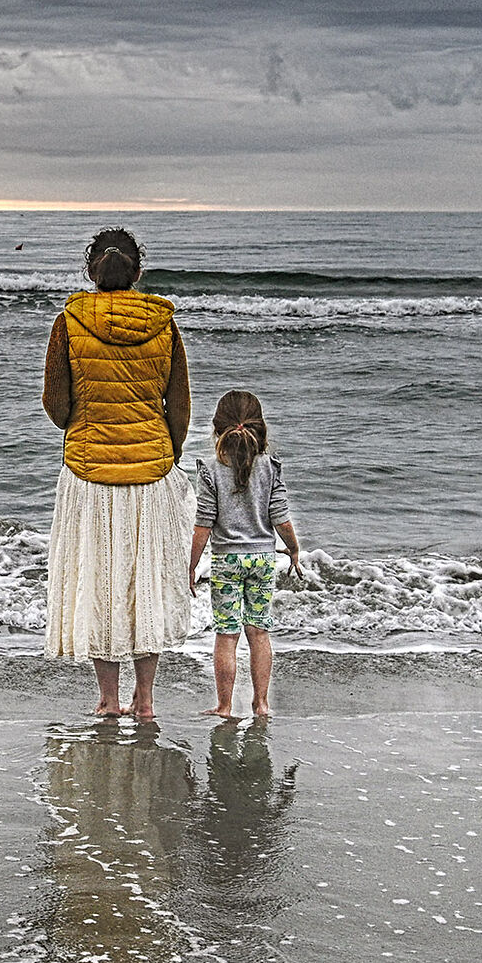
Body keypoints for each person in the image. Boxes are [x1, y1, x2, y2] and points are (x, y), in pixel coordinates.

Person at [41, 228, 192, 721]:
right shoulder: (165, 326)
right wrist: (164, 453)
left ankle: (108, 700)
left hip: (89, 475)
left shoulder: (70, 322)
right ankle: (145, 700)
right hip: (151, 473)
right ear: (138, 272)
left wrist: (87, 421)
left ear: (91, 271)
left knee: (101, 582)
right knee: (142, 582)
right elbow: (180, 408)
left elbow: (57, 406)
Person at [189, 389, 301, 719]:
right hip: (264, 560)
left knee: (227, 635)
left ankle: (224, 706)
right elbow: (280, 515)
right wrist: (293, 549)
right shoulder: (270, 468)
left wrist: (191, 565)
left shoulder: (211, 470)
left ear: (216, 429)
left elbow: (203, 524)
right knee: (259, 632)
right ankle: (261, 704)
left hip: (226, 561)